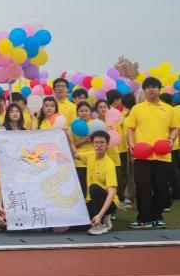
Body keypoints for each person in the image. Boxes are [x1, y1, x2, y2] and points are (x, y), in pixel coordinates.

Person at [126, 77, 178, 229]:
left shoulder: (168, 109)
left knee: (161, 187)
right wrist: (131, 145)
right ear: (144, 90)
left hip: (162, 154)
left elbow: (175, 127)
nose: (151, 89)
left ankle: (157, 216)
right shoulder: (137, 108)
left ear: (159, 89)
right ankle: (144, 219)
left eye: (154, 86)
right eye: (148, 87)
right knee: (143, 186)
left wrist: (171, 139)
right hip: (142, 154)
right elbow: (130, 128)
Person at [68, 131, 118, 235]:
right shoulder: (90, 155)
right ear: (93, 144)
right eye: (96, 142)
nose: (99, 145)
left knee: (94, 188)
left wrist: (100, 215)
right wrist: (68, 137)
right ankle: (101, 218)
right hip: (91, 200)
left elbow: (111, 193)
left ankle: (100, 223)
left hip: (109, 202)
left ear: (107, 144)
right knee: (76, 226)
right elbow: (75, 154)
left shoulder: (109, 164)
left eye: (102, 142)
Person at [72, 101, 94, 197]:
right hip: (79, 160)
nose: (84, 113)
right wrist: (83, 141)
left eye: (86, 110)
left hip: (93, 158)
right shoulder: (73, 126)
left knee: (93, 187)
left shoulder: (96, 124)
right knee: (82, 188)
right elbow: (71, 145)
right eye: (81, 111)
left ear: (90, 112)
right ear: (77, 113)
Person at [121, 93, 137, 205]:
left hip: (131, 147)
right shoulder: (125, 115)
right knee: (132, 171)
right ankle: (130, 195)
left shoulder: (126, 116)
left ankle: (130, 195)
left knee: (131, 172)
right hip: (134, 146)